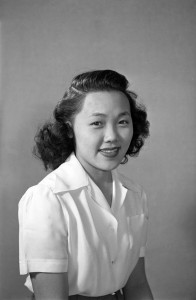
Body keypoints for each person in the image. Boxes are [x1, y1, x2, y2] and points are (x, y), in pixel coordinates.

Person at [18, 69, 154, 300]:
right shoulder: (48, 198)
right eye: (97, 123)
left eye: (122, 121)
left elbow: (138, 286)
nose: (112, 136)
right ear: (69, 128)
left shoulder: (134, 194)